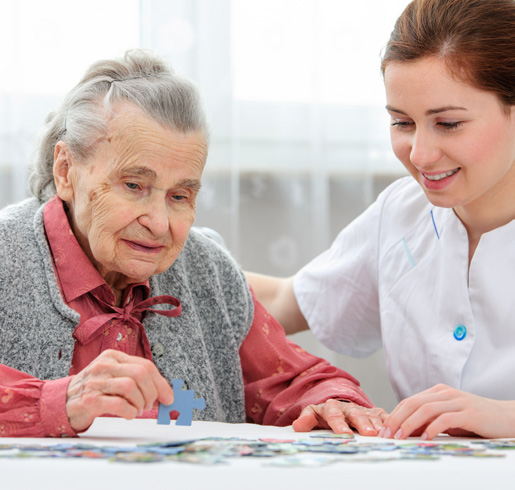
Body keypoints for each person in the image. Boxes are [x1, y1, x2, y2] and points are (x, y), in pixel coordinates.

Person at [0, 49, 387, 438]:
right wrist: (57, 401)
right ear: (66, 171)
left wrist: (335, 402)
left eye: (180, 196)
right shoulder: (7, 252)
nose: (159, 223)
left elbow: (291, 379)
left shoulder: (208, 269)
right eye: (134, 186)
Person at [247, 0, 515, 441]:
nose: (420, 154)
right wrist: (148, 254)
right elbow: (280, 302)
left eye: (448, 123)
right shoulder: (402, 214)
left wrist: (506, 418)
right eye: (402, 123)